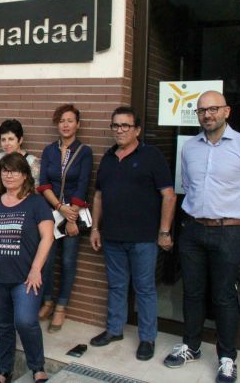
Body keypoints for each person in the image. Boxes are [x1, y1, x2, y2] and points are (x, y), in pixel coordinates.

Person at [163, 91, 240, 383]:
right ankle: (191, 346)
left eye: (213, 109)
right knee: (192, 292)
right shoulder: (189, 148)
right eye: (202, 110)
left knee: (224, 296)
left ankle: (227, 358)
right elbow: (189, 185)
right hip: (193, 230)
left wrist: (232, 219)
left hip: (228, 233)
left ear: (226, 111)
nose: (207, 115)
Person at [89, 106, 176, 361]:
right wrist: (95, 228)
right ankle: (114, 330)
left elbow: (169, 196)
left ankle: (147, 338)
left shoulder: (152, 156)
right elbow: (99, 196)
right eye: (115, 125)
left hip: (143, 239)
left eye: (125, 125)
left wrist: (164, 231)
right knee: (116, 286)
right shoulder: (108, 158)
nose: (120, 130)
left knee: (144, 288)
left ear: (137, 130)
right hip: (113, 237)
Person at [0, 152, 54, 383]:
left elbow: (47, 237)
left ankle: (37, 367)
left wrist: (36, 269)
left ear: (25, 175)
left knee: (26, 321)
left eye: (15, 171)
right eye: (5, 171)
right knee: (3, 324)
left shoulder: (36, 203)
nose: (9, 175)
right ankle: (4, 370)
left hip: (25, 277)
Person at [37, 105, 93, 332]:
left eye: (70, 120)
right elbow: (43, 184)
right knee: (47, 259)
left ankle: (61, 307)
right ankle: (48, 301)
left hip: (73, 214)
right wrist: (60, 207)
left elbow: (83, 185)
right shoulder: (49, 150)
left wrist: (71, 218)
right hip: (50, 213)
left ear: (77, 124)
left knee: (68, 261)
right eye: (61, 121)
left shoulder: (84, 151)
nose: (66, 125)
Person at [0, 119, 41, 199]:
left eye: (11, 139)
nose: (7, 143)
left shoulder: (31, 161)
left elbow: (34, 191)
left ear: (20, 140)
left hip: (19, 203)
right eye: (3, 140)